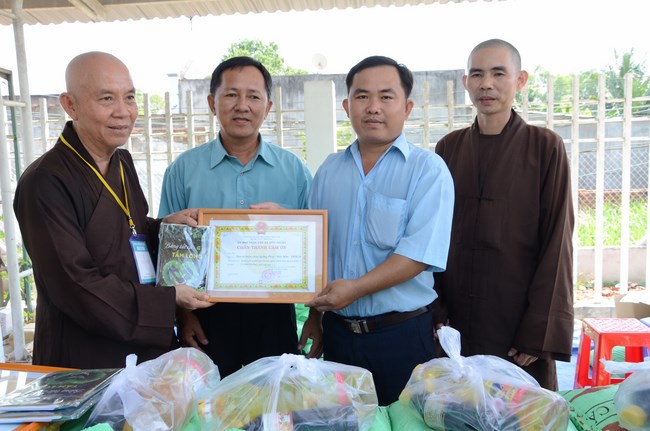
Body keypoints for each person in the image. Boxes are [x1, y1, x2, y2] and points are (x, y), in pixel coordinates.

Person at [12, 51, 214, 369]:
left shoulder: (121, 161)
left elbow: (126, 230)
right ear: (70, 105)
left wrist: (163, 226)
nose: (123, 112)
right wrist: (169, 298)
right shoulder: (45, 181)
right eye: (107, 98)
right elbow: (75, 284)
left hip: (142, 351)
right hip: (85, 357)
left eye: (129, 97)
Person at [158, 56, 322, 377]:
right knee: (211, 399)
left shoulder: (294, 171)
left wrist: (316, 315)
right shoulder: (183, 170)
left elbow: (316, 253)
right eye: (231, 95)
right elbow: (170, 253)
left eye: (253, 96)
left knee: (277, 397)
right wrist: (183, 316)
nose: (242, 106)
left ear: (268, 106)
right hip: (206, 315)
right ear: (212, 103)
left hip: (275, 315)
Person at [306, 56, 455, 405]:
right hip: (339, 336)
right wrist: (315, 316)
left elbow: (417, 256)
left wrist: (354, 289)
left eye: (386, 97)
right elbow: (315, 249)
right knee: (344, 422)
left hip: (401, 336)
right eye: (362, 96)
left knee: (405, 422)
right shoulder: (328, 171)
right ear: (347, 106)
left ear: (407, 107)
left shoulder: (428, 170)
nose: (373, 107)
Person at [432, 39, 575, 390]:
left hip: (517, 322)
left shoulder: (545, 147)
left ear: (520, 80)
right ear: (466, 82)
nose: (486, 84)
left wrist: (538, 332)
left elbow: (558, 242)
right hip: (456, 321)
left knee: (520, 407)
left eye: (498, 74)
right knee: (458, 406)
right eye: (477, 75)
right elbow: (432, 235)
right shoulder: (448, 148)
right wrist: (436, 311)